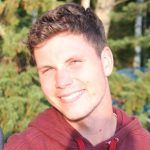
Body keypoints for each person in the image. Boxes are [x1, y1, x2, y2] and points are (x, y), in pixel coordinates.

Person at [4, 3, 150, 150]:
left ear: (106, 61)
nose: (61, 81)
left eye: (74, 62)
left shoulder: (143, 144)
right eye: (48, 70)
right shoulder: (24, 147)